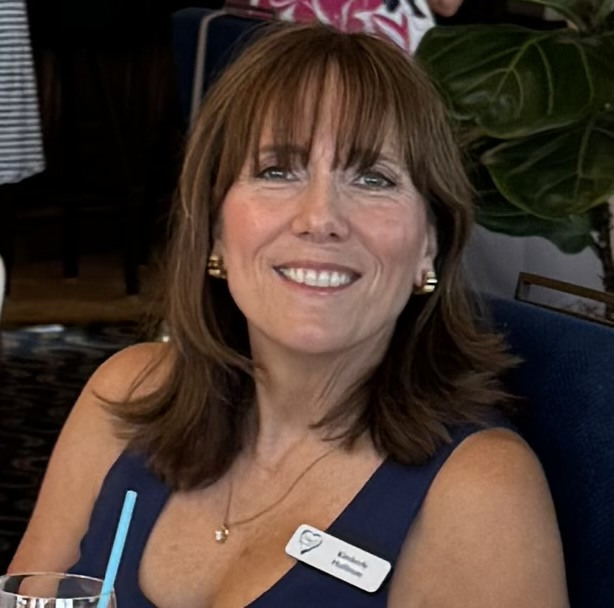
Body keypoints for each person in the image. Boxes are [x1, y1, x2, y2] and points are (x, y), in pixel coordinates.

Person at [9, 22, 568, 607]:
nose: (319, 217)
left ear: (429, 245)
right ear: (215, 231)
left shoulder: (477, 493)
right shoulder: (128, 397)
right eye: (277, 170)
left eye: (373, 178)